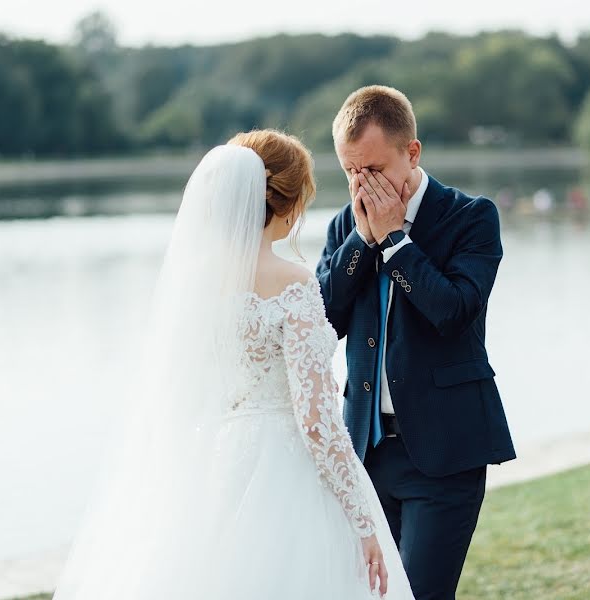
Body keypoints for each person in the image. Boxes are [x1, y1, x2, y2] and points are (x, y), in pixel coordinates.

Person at [50, 130, 416, 599]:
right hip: (290, 475)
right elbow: (316, 420)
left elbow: (181, 394)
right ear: (286, 203)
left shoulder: (193, 285)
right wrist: (363, 522)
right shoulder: (293, 283)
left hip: (217, 464)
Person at [316, 86, 516, 600]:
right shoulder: (346, 223)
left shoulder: (471, 217)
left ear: (412, 153)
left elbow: (452, 312)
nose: (362, 185)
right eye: (350, 172)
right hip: (366, 451)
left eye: (374, 170)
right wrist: (363, 240)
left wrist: (395, 242)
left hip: (444, 451)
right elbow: (323, 320)